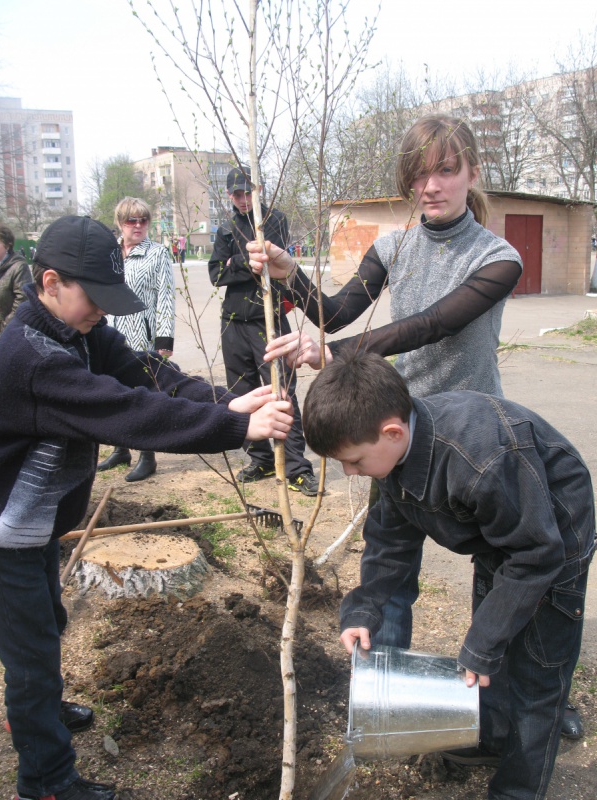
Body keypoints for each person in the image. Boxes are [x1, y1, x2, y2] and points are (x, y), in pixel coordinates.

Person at [248, 113, 584, 739]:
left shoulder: (498, 257)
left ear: (472, 173)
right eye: (419, 173)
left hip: (476, 445)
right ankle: (389, 691)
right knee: (391, 572)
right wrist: (289, 274)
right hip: (394, 434)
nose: (431, 185)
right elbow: (336, 309)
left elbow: (432, 324)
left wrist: (340, 352)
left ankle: (535, 698)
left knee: (501, 579)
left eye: (445, 170)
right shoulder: (392, 245)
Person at [0, 215, 293, 800]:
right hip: (4, 536)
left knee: (46, 625)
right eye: (95, 297)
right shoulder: (30, 356)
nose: (104, 312)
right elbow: (129, 411)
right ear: (50, 283)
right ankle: (47, 779)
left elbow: (152, 378)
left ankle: (40, 710)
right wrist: (236, 428)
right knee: (29, 652)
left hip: (34, 528)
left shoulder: (76, 334)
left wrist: (228, 400)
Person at [303, 350, 595, 800]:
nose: (350, 472)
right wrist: (364, 608)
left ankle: (519, 788)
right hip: (503, 541)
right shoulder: (395, 458)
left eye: (355, 462)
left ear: (392, 432)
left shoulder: (480, 459)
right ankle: (493, 738)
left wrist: (483, 643)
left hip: (552, 541)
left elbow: (537, 553)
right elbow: (389, 542)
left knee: (536, 672)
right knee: (488, 646)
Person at [208, 165, 318, 496]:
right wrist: (243, 263)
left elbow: (272, 264)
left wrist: (237, 264)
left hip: (267, 321)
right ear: (230, 196)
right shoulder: (226, 229)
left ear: (258, 191)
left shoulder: (274, 220)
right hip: (233, 323)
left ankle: (298, 467)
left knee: (281, 392)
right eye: (237, 194)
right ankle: (261, 459)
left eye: (248, 193)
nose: (243, 200)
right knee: (242, 394)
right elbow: (216, 274)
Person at [97, 197, 176, 482]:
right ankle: (120, 449)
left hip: (141, 338)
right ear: (120, 222)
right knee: (111, 392)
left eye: (144, 219)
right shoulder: (109, 252)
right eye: (132, 220)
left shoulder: (157, 253)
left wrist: (164, 343)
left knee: (142, 397)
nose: (139, 225)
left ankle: (147, 455)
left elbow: (166, 298)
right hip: (109, 334)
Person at [0, 223, 32, 339]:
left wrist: (3, 329)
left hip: (8, 335)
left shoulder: (18, 267)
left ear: (8, 245)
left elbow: (22, 301)